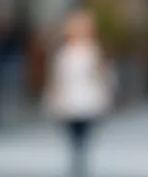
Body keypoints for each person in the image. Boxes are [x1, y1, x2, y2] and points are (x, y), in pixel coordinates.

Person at [43, 9, 114, 177]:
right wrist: (55, 96)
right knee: (72, 131)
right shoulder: (63, 52)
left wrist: (105, 90)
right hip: (69, 99)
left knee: (85, 131)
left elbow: (103, 74)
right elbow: (57, 76)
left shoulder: (94, 50)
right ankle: (77, 158)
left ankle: (80, 159)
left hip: (88, 98)